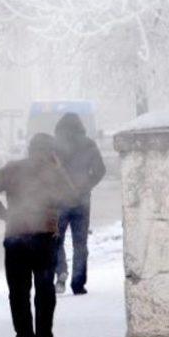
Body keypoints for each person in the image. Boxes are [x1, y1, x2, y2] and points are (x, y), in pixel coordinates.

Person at [0, 132, 74, 337]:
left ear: (29, 149)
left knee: (18, 291)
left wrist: (5, 214)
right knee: (45, 288)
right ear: (50, 151)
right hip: (45, 237)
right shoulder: (53, 171)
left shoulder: (11, 168)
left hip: (16, 236)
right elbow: (71, 197)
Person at [54, 113, 106, 296]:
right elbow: (101, 170)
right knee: (80, 243)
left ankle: (61, 271)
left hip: (60, 201)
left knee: (56, 240)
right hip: (82, 201)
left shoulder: (55, 145)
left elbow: (48, 171)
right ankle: (78, 283)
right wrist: (87, 185)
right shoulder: (89, 144)